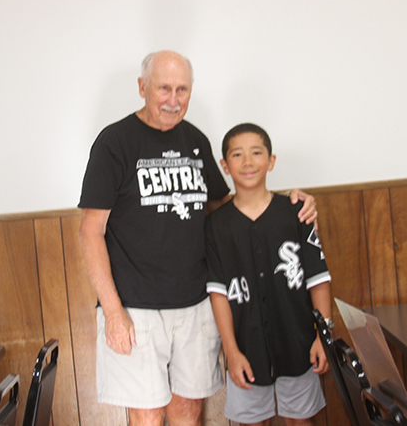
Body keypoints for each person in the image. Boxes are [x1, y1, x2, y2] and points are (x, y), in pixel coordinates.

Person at [78, 51, 317, 426]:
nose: (173, 100)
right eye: (164, 89)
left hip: (195, 302)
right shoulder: (114, 143)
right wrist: (112, 311)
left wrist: (288, 202)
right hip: (135, 307)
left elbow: (228, 208)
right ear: (143, 88)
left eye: (182, 90)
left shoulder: (195, 141)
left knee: (189, 411)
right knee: (147, 414)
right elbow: (90, 232)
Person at [205, 123, 332, 426]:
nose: (247, 162)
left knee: (300, 420)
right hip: (245, 348)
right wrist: (231, 351)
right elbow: (218, 294)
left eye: (256, 153)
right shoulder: (215, 226)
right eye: (237, 155)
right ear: (225, 165)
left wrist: (323, 336)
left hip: (299, 342)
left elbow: (318, 279)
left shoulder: (296, 212)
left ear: (271, 161)